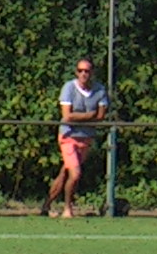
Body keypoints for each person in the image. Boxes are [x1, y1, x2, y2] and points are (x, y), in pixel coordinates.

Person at [41, 58, 108, 219]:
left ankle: (46, 205)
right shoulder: (69, 88)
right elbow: (67, 116)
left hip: (86, 138)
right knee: (75, 174)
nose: (83, 74)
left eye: (87, 71)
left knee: (66, 172)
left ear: (92, 73)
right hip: (68, 136)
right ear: (76, 72)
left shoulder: (99, 90)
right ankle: (67, 208)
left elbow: (100, 116)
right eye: (80, 70)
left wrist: (80, 117)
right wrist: (89, 116)